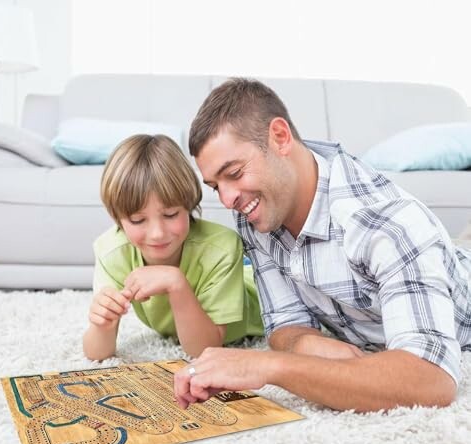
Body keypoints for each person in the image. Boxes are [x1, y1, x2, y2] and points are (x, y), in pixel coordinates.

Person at [173, 78, 471, 412]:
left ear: (280, 138)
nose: (227, 199)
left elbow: (431, 380)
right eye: (216, 186)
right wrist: (304, 343)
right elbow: (283, 323)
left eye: (235, 173)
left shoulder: (387, 223)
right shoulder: (259, 213)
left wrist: (266, 366)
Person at [83, 134, 263, 361]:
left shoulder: (223, 249)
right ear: (118, 219)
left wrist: (176, 284)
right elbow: (96, 353)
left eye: (170, 215)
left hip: (253, 288)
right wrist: (102, 324)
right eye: (138, 220)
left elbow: (203, 350)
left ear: (189, 205)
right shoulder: (112, 252)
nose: (157, 233)